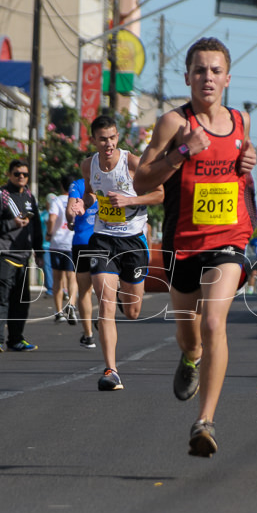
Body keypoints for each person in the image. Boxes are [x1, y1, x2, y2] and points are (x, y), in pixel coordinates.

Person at [133, 37, 256, 457]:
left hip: (229, 238)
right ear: (187, 77)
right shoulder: (172, 123)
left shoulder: (241, 122)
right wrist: (182, 152)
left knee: (214, 322)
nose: (208, 77)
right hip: (182, 243)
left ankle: (205, 421)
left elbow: (240, 171)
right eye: (200, 70)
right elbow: (142, 181)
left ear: (227, 77)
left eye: (215, 70)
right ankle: (190, 359)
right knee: (190, 337)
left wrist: (249, 162)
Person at [70, 114, 163, 391]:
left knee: (132, 311)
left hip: (133, 242)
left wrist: (130, 200)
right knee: (105, 305)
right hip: (103, 239)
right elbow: (90, 195)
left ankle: (125, 292)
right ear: (94, 140)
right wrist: (80, 203)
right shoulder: (89, 165)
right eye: (102, 139)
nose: (108, 144)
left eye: (112, 138)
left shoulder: (133, 163)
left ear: (117, 137)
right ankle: (111, 370)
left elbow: (159, 194)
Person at [0, 159, 43, 352]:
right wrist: (11, 224)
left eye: (24, 174)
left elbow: (37, 226)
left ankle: (16, 338)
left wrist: (39, 252)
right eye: (17, 174)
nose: (21, 177)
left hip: (24, 256)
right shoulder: (1, 195)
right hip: (4, 254)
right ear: (9, 174)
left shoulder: (30, 197)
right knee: (1, 298)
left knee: (21, 301)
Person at [67, 173, 98, 350]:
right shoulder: (110, 181)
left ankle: (88, 336)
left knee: (84, 290)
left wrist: (71, 221)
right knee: (105, 288)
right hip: (104, 242)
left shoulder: (78, 184)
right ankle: (102, 319)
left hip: (82, 242)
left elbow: (70, 211)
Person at [47, 177, 78, 325]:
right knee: (72, 277)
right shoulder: (77, 200)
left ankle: (59, 311)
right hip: (72, 243)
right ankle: (71, 304)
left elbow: (52, 218)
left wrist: (49, 233)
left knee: (57, 279)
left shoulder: (57, 201)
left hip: (57, 243)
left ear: (61, 185)